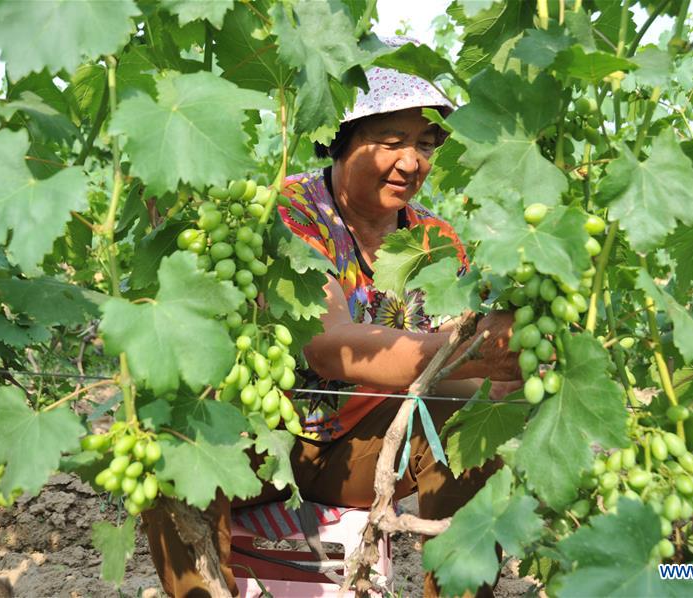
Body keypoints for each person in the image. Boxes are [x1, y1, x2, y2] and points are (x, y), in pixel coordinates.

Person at [142, 37, 520, 598]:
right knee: (167, 440)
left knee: (483, 410)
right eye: (391, 141)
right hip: (262, 443)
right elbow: (328, 343)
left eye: (424, 142)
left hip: (362, 458)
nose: (411, 161)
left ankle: (463, 586)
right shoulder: (290, 213)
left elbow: (463, 365)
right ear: (341, 142)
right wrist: (463, 348)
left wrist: (508, 361)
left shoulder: (435, 241)